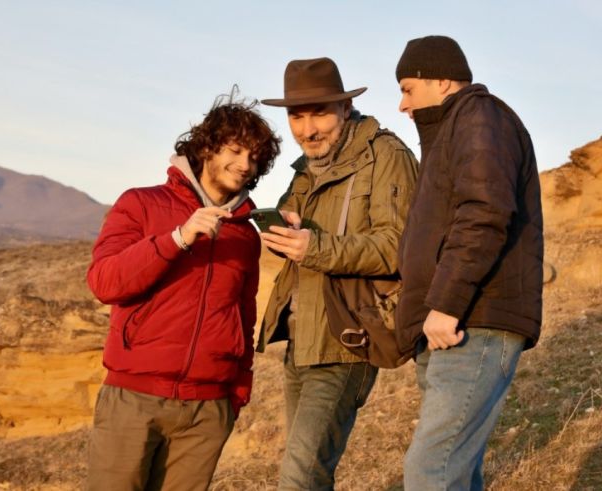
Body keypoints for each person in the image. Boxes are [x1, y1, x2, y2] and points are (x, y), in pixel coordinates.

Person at [85, 91, 280, 491]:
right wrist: (177, 238)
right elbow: (105, 282)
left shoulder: (245, 234)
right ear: (207, 146)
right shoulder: (140, 204)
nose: (245, 165)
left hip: (207, 409)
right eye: (236, 149)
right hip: (134, 397)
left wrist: (236, 391)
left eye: (255, 157)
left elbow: (243, 314)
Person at [257, 57, 418, 490]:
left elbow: (398, 247)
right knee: (307, 474)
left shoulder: (387, 155)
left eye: (320, 113)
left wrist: (316, 247)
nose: (307, 129)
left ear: (345, 109)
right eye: (296, 116)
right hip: (300, 341)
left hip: (349, 338)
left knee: (299, 477)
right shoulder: (305, 171)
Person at [393, 35, 544, 490]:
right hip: (454, 322)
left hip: (472, 320)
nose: (401, 104)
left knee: (430, 472)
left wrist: (445, 303)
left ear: (441, 82)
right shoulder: (450, 133)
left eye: (407, 88)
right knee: (456, 472)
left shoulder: (481, 118)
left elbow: (484, 214)